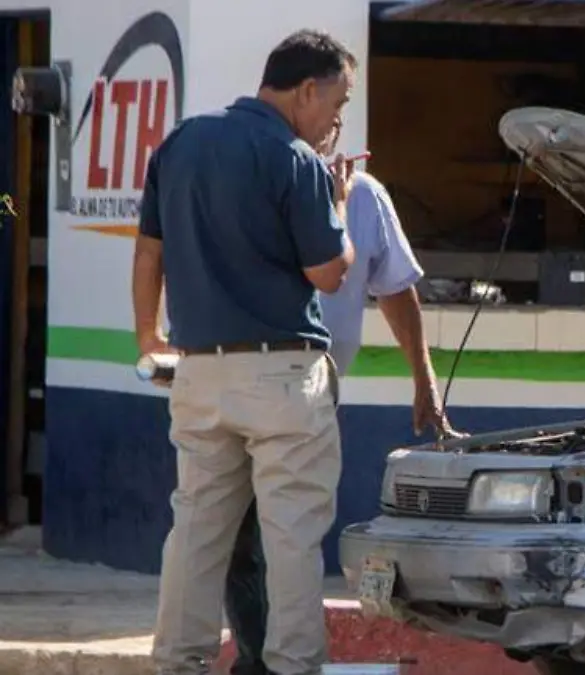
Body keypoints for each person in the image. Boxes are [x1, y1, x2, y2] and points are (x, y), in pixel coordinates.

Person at [132, 29, 358, 675]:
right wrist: (336, 206)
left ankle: (178, 660)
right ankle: (292, 664)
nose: (335, 120)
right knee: (291, 534)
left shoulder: (182, 142)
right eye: (336, 104)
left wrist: (149, 337)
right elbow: (328, 274)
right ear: (307, 89)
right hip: (284, 374)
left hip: (199, 369)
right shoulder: (296, 159)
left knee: (197, 532)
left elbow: (149, 251)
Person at [221, 118, 461, 675]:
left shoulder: (366, 196)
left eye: (334, 125)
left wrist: (423, 377)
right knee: (238, 537)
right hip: (245, 383)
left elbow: (397, 289)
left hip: (314, 394)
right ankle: (256, 660)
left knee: (289, 534)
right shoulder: (262, 183)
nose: (324, 136)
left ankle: (281, 660)